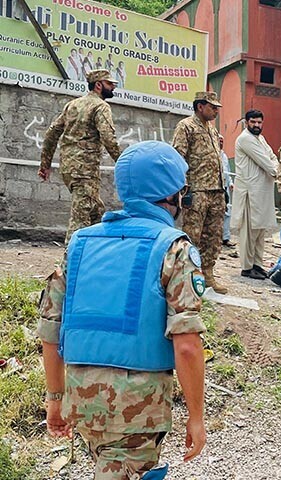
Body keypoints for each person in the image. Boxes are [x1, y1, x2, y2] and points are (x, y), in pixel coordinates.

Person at [38, 141, 207, 479]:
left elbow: (51, 329)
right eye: (182, 190)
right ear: (171, 195)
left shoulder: (80, 243)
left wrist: (55, 398)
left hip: (82, 398)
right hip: (136, 407)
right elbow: (187, 345)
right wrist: (196, 417)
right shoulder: (173, 248)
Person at [38, 69, 122, 244]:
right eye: (109, 83)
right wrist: (123, 163)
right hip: (85, 170)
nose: (113, 87)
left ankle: (97, 251)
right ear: (98, 85)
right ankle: (70, 257)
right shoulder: (100, 106)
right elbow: (108, 138)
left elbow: (52, 133)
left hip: (69, 169)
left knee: (96, 213)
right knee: (80, 219)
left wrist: (45, 164)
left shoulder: (72, 105)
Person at [172, 91, 229, 294]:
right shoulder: (186, 126)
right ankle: (186, 276)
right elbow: (178, 157)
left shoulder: (211, 129)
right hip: (197, 190)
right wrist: (182, 187)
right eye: (212, 107)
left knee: (213, 236)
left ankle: (207, 274)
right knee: (192, 235)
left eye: (217, 108)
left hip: (216, 190)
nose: (216, 111)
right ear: (200, 106)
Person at [232, 110, 278, 280]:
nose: (257, 125)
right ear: (246, 122)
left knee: (260, 231)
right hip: (250, 192)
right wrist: (277, 170)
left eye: (259, 122)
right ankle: (247, 267)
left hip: (263, 191)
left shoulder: (261, 139)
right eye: (253, 122)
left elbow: (273, 157)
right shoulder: (245, 139)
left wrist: (275, 167)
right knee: (249, 232)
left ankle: (257, 264)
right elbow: (267, 163)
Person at [219, 135, 236, 251]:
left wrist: (231, 183)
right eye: (218, 141)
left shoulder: (224, 156)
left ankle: (226, 238)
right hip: (217, 187)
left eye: (222, 141)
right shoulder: (213, 155)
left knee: (227, 212)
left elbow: (228, 172)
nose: (220, 143)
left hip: (225, 187)